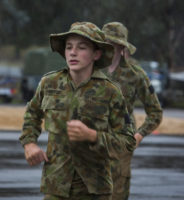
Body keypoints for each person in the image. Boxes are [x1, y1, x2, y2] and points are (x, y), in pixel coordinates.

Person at [19, 21, 136, 200]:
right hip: (56, 185)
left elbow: (127, 142)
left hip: (95, 189)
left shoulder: (110, 92)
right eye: (69, 47)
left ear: (96, 54)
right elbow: (32, 114)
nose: (73, 52)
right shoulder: (49, 83)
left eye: (81, 47)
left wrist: (92, 136)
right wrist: (29, 143)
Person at [101, 22, 163, 200]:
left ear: (122, 47)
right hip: (91, 142)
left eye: (113, 44)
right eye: (105, 44)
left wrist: (139, 134)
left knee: (117, 193)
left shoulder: (135, 75)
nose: (109, 48)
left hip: (121, 143)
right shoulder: (90, 71)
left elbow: (155, 112)